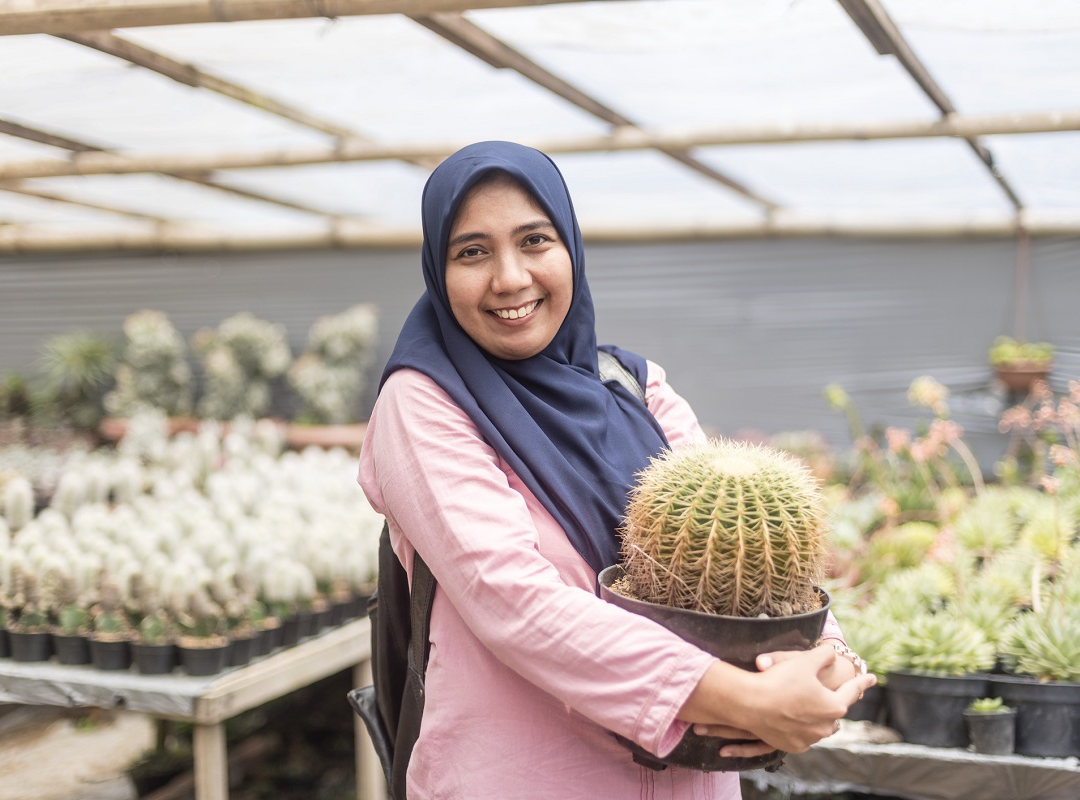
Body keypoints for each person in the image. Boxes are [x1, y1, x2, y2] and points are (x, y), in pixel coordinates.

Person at [357, 141, 874, 799]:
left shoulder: (636, 385)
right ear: (437, 266)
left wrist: (827, 662)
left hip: (691, 779)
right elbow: (511, 597)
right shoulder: (424, 401)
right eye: (472, 251)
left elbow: (740, 554)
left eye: (535, 240)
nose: (511, 277)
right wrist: (738, 697)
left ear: (571, 246)